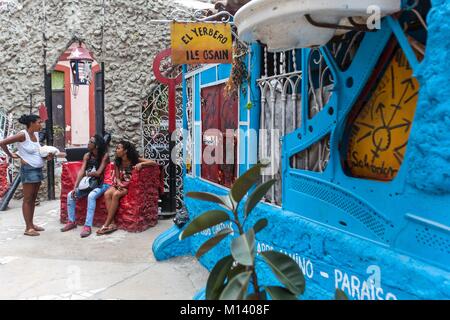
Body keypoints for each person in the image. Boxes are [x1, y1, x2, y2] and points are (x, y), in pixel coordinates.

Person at [0, 114, 54, 236]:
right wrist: (10, 155)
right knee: (28, 199)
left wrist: (46, 157)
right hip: (28, 170)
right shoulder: (22, 135)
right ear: (31, 123)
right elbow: (2, 143)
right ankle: (28, 228)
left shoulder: (35, 135)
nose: (41, 125)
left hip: (37, 169)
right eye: (39, 122)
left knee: (33, 198)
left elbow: (36, 152)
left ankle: (31, 224)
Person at [97, 140, 156, 235]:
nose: (116, 150)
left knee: (116, 194)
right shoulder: (117, 161)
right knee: (107, 193)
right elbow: (117, 178)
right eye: (116, 148)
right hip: (122, 184)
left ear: (125, 151)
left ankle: (106, 224)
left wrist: (142, 164)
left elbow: (153, 162)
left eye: (118, 148)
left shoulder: (135, 160)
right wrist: (119, 183)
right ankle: (112, 223)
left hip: (131, 185)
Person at [60, 135, 110, 238]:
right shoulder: (87, 155)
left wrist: (89, 174)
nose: (88, 143)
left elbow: (99, 173)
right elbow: (81, 171)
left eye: (90, 142)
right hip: (89, 184)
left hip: (102, 184)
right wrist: (75, 187)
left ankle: (87, 226)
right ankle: (71, 221)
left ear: (96, 146)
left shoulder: (104, 156)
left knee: (91, 196)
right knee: (70, 195)